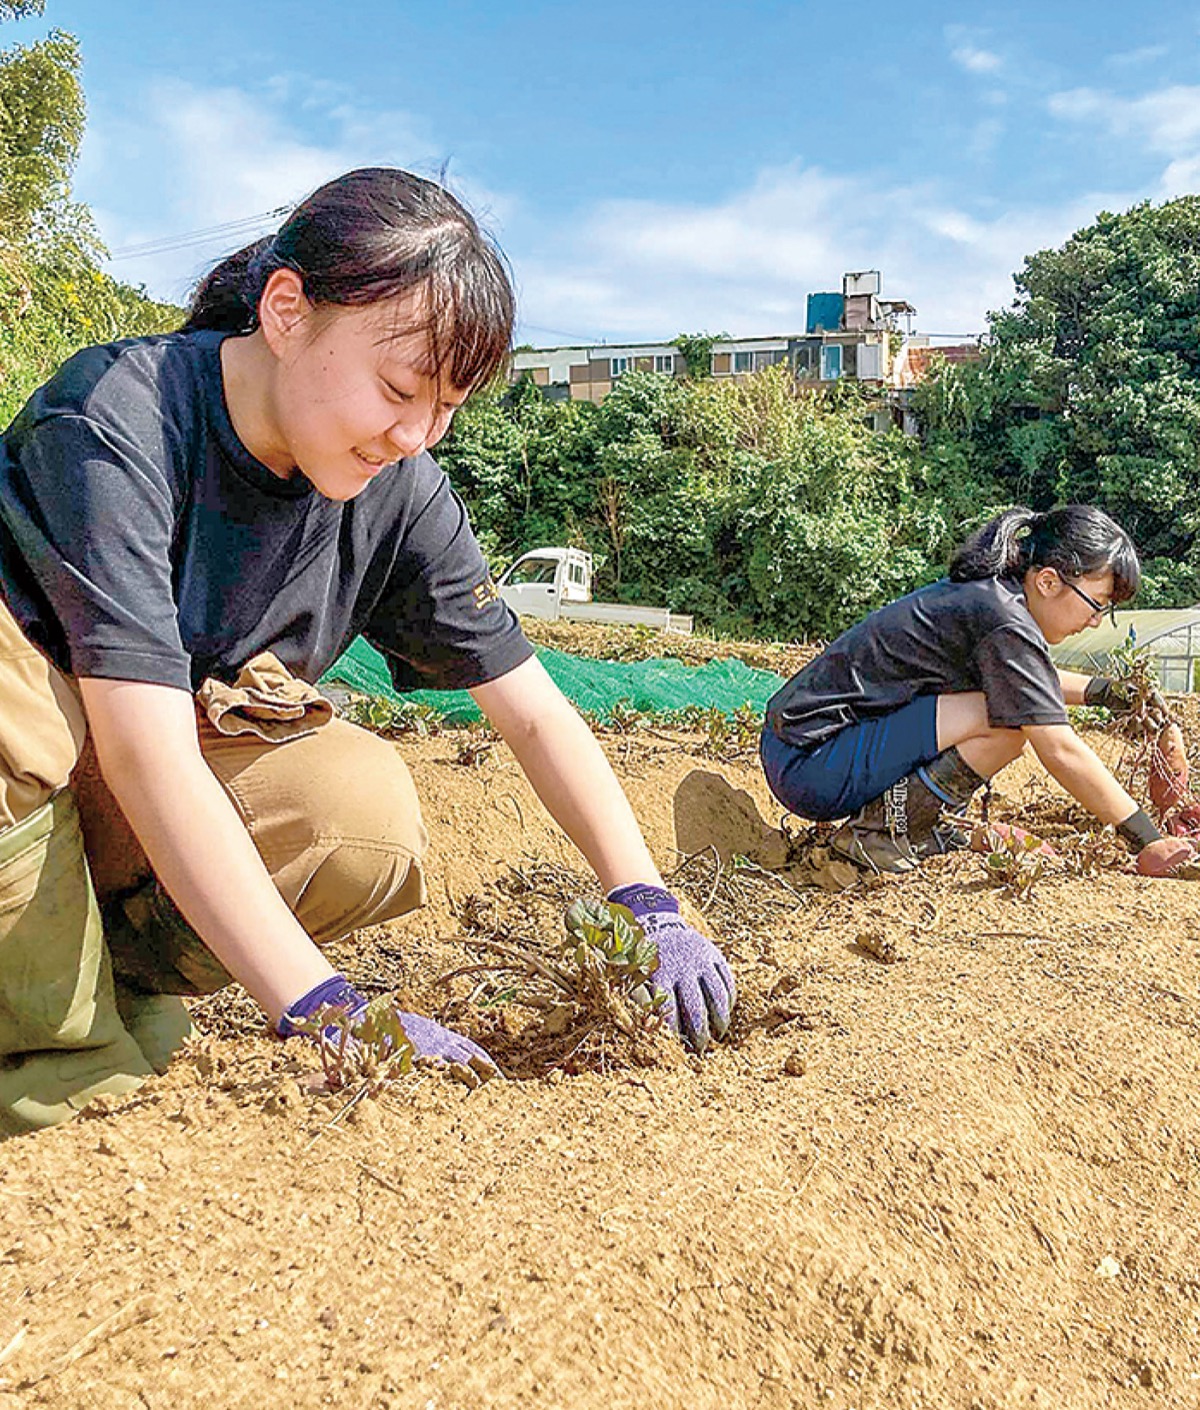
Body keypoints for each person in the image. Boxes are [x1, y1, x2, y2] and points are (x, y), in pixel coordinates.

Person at [0, 167, 735, 1138]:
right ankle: (53, 1046)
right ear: (286, 309)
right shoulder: (119, 417)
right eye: (397, 391)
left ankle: (106, 982)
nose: (414, 436)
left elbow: (533, 710)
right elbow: (141, 752)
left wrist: (648, 901)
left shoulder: (397, 492)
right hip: (43, 762)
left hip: (106, 806)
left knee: (355, 810)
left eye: (446, 409)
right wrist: (321, 1007)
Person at [760, 505, 1193, 875]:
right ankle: (883, 833)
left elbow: (1029, 679)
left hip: (797, 748)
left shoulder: (995, 597)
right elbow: (1058, 746)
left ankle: (905, 823)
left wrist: (1106, 693)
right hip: (812, 763)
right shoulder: (1004, 618)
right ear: (1047, 581)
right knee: (1006, 725)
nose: (1097, 621)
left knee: (1006, 708)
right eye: (1097, 604)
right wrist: (1146, 839)